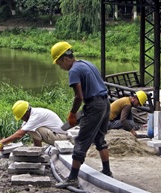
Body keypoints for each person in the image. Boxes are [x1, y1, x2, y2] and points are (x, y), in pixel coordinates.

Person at [51, 41, 113, 188]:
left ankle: (72, 178)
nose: (61, 68)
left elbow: (79, 96)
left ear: (65, 59)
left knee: (81, 141)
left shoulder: (74, 70)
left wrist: (72, 113)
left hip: (95, 105)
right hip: (105, 103)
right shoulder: (87, 63)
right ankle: (107, 171)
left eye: (60, 64)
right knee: (99, 138)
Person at [0, 100, 68, 151]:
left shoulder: (35, 116)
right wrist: (7, 141)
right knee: (29, 128)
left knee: (31, 129)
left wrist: (3, 142)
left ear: (26, 113)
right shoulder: (33, 115)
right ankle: (37, 149)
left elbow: (20, 134)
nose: (22, 119)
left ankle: (38, 149)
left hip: (61, 138)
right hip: (57, 135)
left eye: (22, 117)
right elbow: (20, 131)